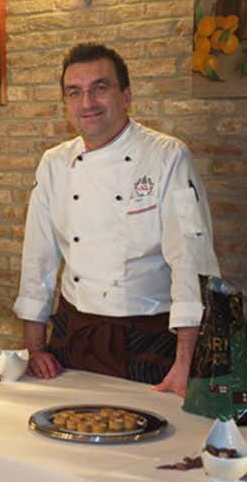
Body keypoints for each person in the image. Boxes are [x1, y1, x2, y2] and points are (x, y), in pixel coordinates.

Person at [13, 43, 220, 398]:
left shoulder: (167, 157)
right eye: (74, 92)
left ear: (126, 96)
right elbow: (38, 260)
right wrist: (35, 349)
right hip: (73, 334)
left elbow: (192, 262)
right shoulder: (53, 164)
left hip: (149, 339)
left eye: (100, 88)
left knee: (152, 432)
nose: (87, 102)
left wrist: (186, 362)